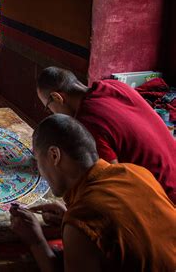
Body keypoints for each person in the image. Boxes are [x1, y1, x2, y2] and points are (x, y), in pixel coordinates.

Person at [10, 114, 176, 272]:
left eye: (39, 161)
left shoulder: (82, 219)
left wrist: (36, 241)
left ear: (54, 155)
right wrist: (69, 218)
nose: (40, 170)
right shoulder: (137, 172)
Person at [36, 66, 176, 203]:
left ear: (57, 97)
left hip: (165, 199)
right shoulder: (114, 85)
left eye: (48, 108)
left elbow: (110, 187)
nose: (51, 113)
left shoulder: (88, 122)